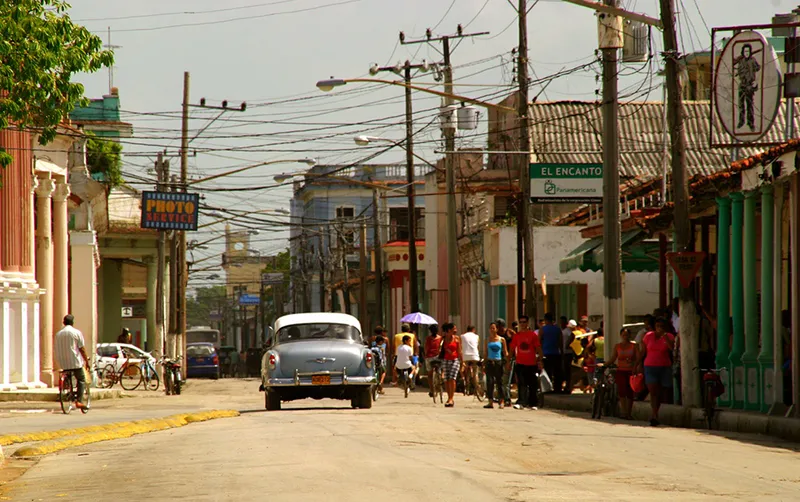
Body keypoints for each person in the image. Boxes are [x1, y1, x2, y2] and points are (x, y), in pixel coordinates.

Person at [636, 317, 675, 426]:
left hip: (664, 367)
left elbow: (671, 349)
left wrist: (665, 337)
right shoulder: (648, 336)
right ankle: (654, 414)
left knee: (660, 392)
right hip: (650, 366)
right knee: (653, 391)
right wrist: (637, 364)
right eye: (657, 326)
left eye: (661, 327)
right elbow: (643, 351)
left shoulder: (670, 336)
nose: (659, 328)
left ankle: (655, 412)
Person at [55, 315, 91, 410]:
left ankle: (67, 390)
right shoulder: (76, 333)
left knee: (68, 376)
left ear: (64, 322)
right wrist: (86, 361)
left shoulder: (58, 334)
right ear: (72, 323)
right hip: (74, 361)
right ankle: (79, 401)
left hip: (62, 362)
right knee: (81, 379)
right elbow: (81, 349)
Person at [510, 318, 544, 410]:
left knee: (532, 384)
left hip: (531, 363)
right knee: (521, 383)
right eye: (521, 322)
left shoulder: (533, 335)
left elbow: (538, 347)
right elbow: (512, 348)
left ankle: (533, 403)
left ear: (527, 323)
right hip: (520, 363)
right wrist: (508, 360)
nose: (522, 324)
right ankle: (521, 402)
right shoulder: (517, 336)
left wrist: (540, 359)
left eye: (524, 322)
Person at [606, 327, 639, 420]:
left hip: (630, 371)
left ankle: (629, 412)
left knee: (630, 392)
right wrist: (604, 364)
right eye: (624, 335)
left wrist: (635, 367)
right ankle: (623, 412)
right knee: (621, 391)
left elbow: (638, 358)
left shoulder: (634, 346)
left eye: (627, 335)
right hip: (620, 371)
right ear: (621, 335)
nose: (625, 337)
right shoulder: (617, 346)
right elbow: (613, 358)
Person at [734, 43, 761, 130]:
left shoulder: (753, 60)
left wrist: (756, 81)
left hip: (749, 85)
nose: (746, 53)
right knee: (741, 105)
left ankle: (751, 123)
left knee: (750, 105)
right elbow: (737, 72)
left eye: (748, 51)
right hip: (742, 85)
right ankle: (741, 122)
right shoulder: (740, 61)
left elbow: (759, 70)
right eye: (745, 51)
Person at [484, 322, 508, 409]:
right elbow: (486, 352)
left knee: (499, 382)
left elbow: (505, 352)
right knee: (490, 382)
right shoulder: (487, 340)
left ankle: (501, 401)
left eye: (494, 328)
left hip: (499, 362)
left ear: (497, 329)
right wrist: (484, 362)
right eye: (490, 328)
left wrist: (508, 361)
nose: (492, 330)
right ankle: (490, 401)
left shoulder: (502, 339)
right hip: (490, 362)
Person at [537, 313, 563, 394]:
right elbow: (560, 342)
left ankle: (547, 389)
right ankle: (557, 389)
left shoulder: (542, 329)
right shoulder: (557, 329)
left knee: (547, 372)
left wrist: (539, 353)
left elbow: (538, 342)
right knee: (557, 373)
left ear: (545, 320)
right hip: (556, 353)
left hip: (546, 353)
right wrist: (561, 352)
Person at [440, 322, 462, 408]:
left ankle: (451, 398)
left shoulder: (457, 339)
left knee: (452, 378)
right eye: (454, 329)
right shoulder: (443, 339)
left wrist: (462, 362)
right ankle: (449, 397)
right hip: (445, 360)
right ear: (449, 330)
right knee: (446, 379)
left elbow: (459, 351)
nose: (456, 330)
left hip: (455, 360)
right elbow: (439, 349)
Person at [496, 318, 516, 408]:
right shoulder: (497, 335)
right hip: (499, 358)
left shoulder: (509, 333)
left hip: (509, 359)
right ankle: (502, 398)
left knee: (506, 381)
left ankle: (507, 399)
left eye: (498, 326)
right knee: (500, 380)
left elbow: (516, 342)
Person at [461, 325, 481, 394]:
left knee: (464, 369)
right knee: (475, 372)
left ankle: (466, 383)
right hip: (474, 356)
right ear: (473, 330)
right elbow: (477, 347)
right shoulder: (477, 336)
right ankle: (477, 387)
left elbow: (461, 346)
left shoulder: (462, 336)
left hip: (465, 356)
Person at [424, 324, 443, 397]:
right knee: (440, 369)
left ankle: (432, 390)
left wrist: (426, 355)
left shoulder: (428, 338)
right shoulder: (440, 338)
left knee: (429, 375)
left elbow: (426, 348)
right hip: (438, 357)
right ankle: (440, 377)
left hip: (429, 357)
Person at [560, 316, 575, 394]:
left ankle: (568, 387)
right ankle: (566, 387)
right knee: (564, 371)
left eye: (562, 322)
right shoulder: (562, 331)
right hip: (563, 353)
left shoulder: (567, 330)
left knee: (567, 371)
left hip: (567, 353)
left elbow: (573, 336)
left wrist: (567, 345)